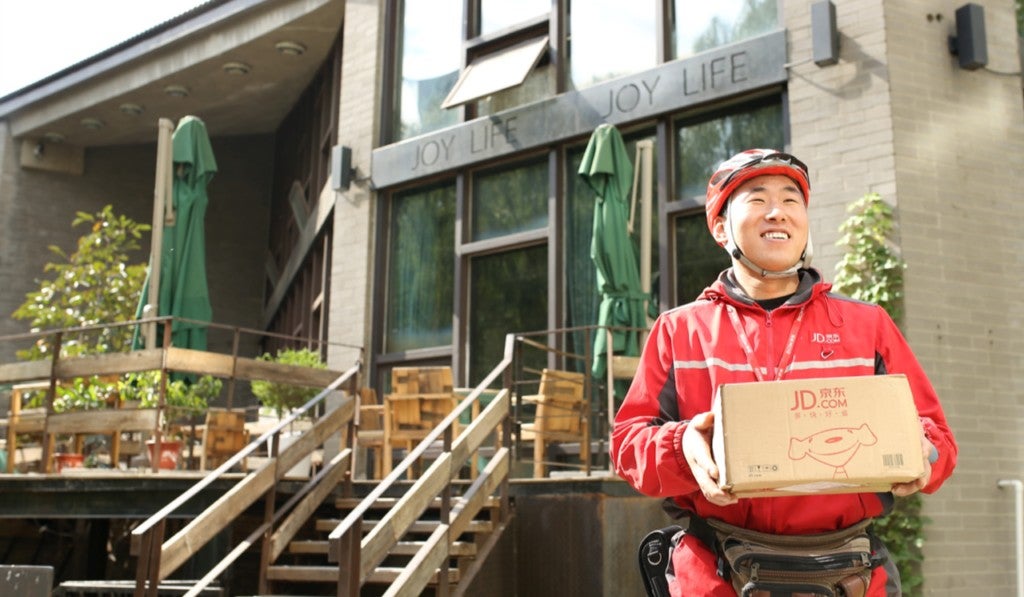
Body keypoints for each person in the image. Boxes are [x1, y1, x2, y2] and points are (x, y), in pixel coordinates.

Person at [611, 149, 957, 596]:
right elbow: (627, 445)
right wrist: (682, 446)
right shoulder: (680, 330)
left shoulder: (867, 325)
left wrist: (921, 456)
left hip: (848, 573)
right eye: (757, 199)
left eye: (791, 200)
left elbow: (940, 441)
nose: (778, 211)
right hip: (715, 574)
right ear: (720, 228)